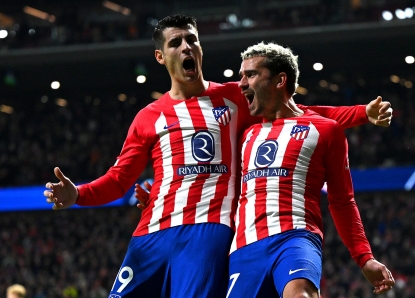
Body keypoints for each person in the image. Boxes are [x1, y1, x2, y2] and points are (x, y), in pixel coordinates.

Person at [44, 15, 392, 297]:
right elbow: (119, 179)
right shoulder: (149, 116)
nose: (186, 47)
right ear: (160, 57)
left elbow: (298, 114)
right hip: (150, 233)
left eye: (192, 40)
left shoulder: (234, 98)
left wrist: (362, 113)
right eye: (176, 42)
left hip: (208, 233)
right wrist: (79, 195)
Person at [221, 42, 395, 297]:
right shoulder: (245, 133)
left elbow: (342, 201)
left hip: (295, 238)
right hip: (244, 249)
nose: (242, 83)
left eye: (251, 74)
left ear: (281, 80)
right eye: (241, 76)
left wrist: (364, 257)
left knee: (300, 294)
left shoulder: (325, 131)